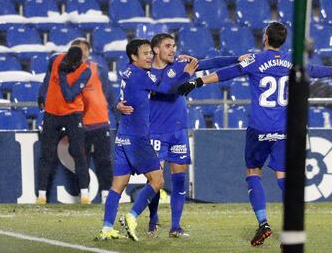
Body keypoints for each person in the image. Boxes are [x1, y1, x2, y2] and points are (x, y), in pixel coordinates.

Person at [177, 22, 332, 246]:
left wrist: (197, 81)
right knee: (283, 177)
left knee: (253, 171)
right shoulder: (292, 61)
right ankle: (291, 226)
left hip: (259, 128)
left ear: (265, 38)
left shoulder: (256, 59)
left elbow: (227, 73)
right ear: (282, 40)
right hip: (284, 129)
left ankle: (263, 222)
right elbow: (316, 71)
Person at [118, 33, 241, 238]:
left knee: (179, 179)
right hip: (156, 131)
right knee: (156, 181)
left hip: (179, 131)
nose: (173, 49)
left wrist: (236, 58)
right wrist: (118, 105)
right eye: (168, 46)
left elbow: (211, 63)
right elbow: (167, 89)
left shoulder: (179, 65)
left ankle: (175, 226)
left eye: (174, 45)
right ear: (156, 49)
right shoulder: (147, 73)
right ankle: (151, 219)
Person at [96, 39, 198, 242]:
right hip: (137, 138)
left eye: (151, 53)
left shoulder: (127, 72)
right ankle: (132, 216)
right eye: (145, 53)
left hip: (122, 136)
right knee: (157, 180)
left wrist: (117, 104)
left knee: (118, 185)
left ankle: (107, 228)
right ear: (134, 57)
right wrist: (187, 73)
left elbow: (124, 96)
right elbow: (169, 90)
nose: (150, 56)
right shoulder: (142, 76)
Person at [37, 46, 93, 205]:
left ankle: (84, 195)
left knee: (78, 152)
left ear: (77, 63)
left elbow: (69, 96)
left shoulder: (85, 71)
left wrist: (62, 75)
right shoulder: (55, 59)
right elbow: (47, 78)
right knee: (46, 154)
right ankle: (41, 196)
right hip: (52, 114)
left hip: (73, 114)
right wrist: (42, 93)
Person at [71, 38, 113, 204]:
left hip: (100, 123)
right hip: (79, 125)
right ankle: (84, 196)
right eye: (78, 49)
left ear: (89, 52)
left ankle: (105, 196)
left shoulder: (99, 70)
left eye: (85, 49)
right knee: (82, 162)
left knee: (104, 161)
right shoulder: (67, 72)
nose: (82, 52)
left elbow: (109, 95)